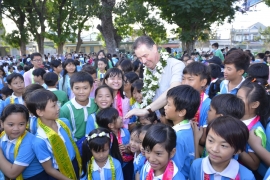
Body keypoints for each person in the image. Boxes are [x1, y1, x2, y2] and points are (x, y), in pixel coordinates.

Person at [25, 89, 81, 180]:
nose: (58, 108)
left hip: (74, 163)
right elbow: (49, 169)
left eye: (57, 104)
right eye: (53, 106)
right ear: (40, 112)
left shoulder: (64, 123)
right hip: (59, 174)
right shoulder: (39, 140)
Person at [125, 35, 184, 119]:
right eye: (140, 58)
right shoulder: (146, 70)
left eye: (145, 56)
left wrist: (146, 110)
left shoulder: (175, 65)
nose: (143, 61)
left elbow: (173, 90)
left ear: (155, 48)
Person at [189, 116, 255, 180]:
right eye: (210, 141)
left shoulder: (246, 176)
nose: (214, 149)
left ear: (238, 150)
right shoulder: (196, 166)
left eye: (223, 145)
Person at [0, 104, 48, 179]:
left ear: (27, 123)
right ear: (2, 123)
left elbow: (12, 174)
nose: (16, 129)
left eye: (21, 124)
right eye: (11, 125)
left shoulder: (29, 142)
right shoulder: (2, 136)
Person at [192, 94, 245, 159]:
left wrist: (196, 139)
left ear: (220, 117)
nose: (207, 112)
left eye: (210, 110)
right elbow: (205, 153)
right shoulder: (219, 131)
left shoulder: (221, 137)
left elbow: (199, 166)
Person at [165, 85, 200, 178]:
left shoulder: (177, 136)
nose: (165, 107)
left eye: (168, 104)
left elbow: (174, 168)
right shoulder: (189, 127)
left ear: (181, 112)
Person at [237, 79, 270, 177]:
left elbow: (254, 165)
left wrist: (234, 146)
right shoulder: (238, 117)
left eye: (240, 99)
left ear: (255, 104)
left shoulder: (255, 131)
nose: (235, 101)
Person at [60, 71, 98, 153]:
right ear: (71, 89)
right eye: (77, 88)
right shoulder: (65, 109)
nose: (81, 92)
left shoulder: (96, 103)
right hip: (75, 147)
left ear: (91, 88)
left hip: (96, 144)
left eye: (85, 88)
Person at [96, 107, 133, 180]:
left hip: (127, 166)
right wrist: (115, 151)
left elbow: (132, 150)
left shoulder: (125, 132)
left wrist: (128, 149)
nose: (121, 117)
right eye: (118, 117)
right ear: (111, 125)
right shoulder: (104, 139)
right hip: (113, 168)